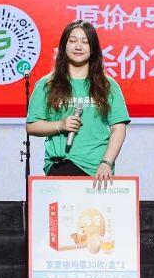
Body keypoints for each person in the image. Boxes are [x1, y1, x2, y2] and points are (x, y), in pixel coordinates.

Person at [25, 20, 129, 189]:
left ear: (93, 48)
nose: (78, 46)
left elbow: (118, 128)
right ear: (64, 46)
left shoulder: (108, 85)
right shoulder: (47, 84)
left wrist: (106, 163)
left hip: (97, 170)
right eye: (73, 41)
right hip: (60, 166)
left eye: (85, 42)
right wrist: (60, 125)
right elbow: (32, 126)